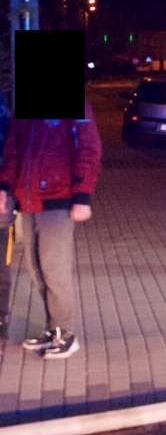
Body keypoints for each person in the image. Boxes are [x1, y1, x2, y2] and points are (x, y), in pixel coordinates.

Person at [0, 98, 103, 358]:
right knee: (35, 268)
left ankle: (66, 334)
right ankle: (52, 328)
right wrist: (5, 185)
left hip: (58, 197)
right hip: (28, 199)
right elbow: (13, 150)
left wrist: (82, 196)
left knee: (54, 268)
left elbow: (88, 149)